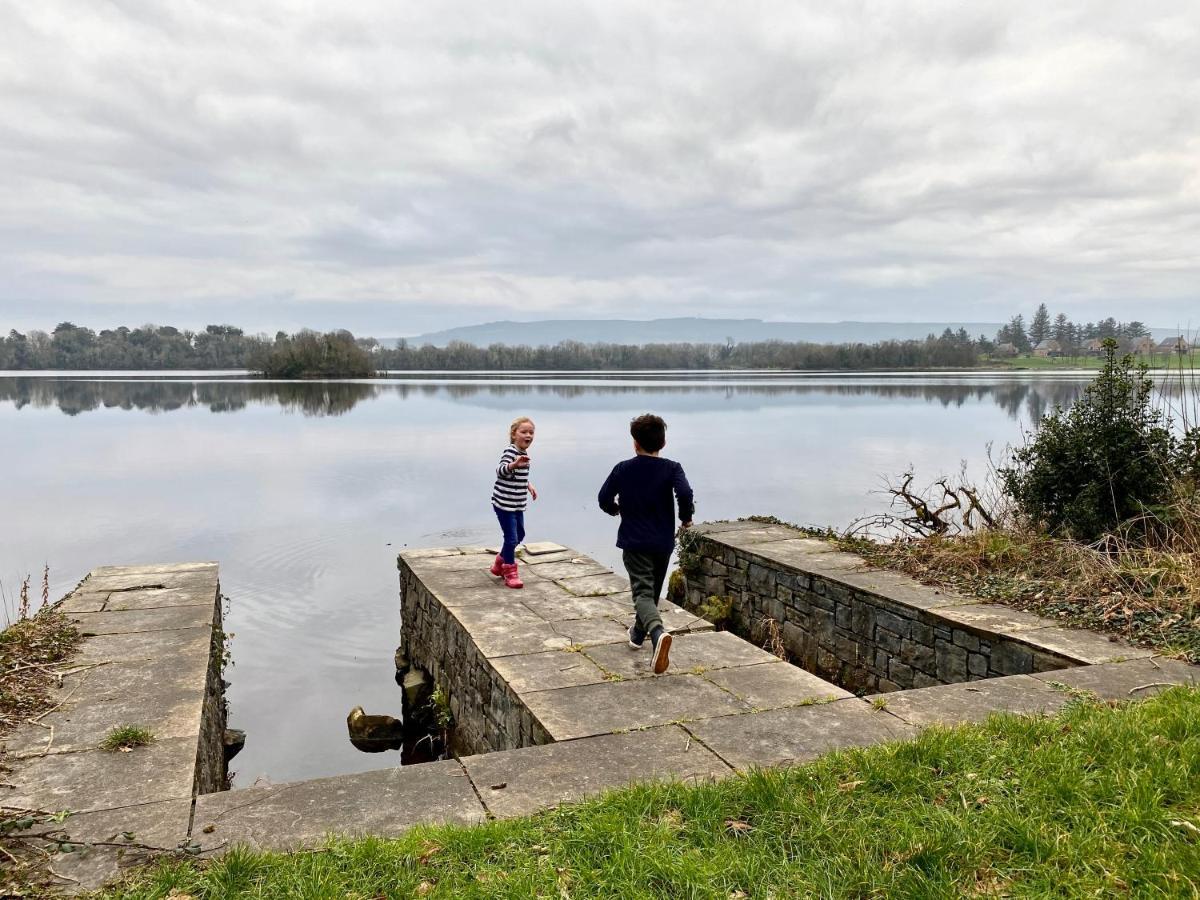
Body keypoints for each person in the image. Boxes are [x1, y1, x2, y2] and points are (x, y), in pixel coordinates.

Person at [597, 413, 693, 674]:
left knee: (642, 593)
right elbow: (684, 493)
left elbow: (603, 497)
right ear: (663, 443)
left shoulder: (623, 468)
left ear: (635, 443)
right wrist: (686, 518)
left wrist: (614, 509)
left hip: (634, 540)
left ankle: (657, 632)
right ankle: (638, 635)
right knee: (650, 595)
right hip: (662, 542)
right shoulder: (672, 468)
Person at [489, 417, 538, 588]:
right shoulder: (510, 451)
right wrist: (513, 465)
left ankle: (499, 562)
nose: (528, 435)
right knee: (511, 539)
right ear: (513, 434)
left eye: (531, 432)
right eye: (524, 432)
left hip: (517, 503)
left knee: (520, 535)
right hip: (503, 503)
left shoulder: (524, 454)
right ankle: (509, 571)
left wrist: (528, 486)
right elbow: (500, 471)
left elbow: (519, 476)